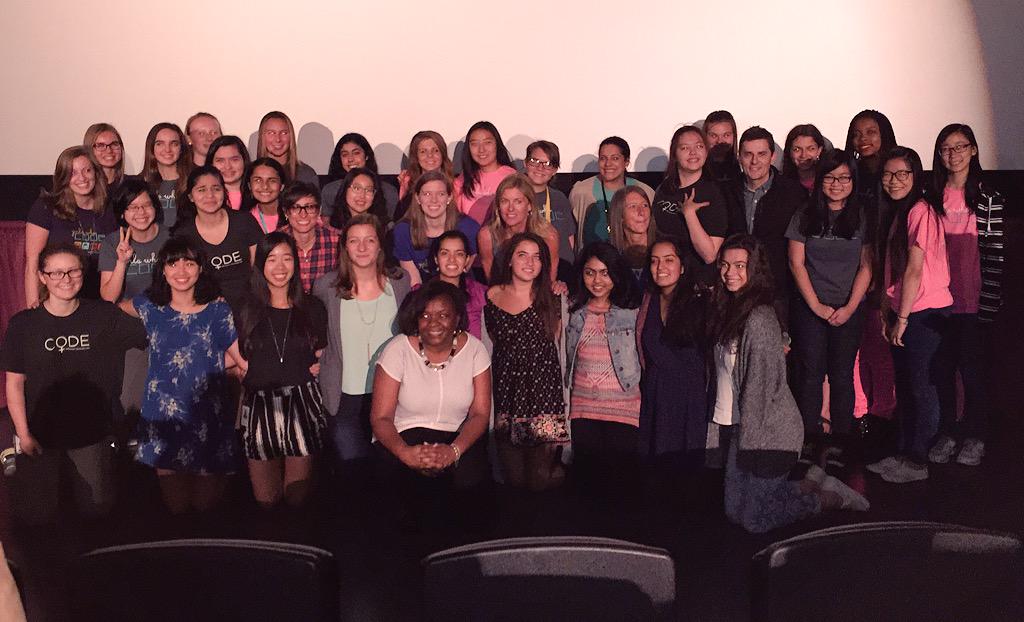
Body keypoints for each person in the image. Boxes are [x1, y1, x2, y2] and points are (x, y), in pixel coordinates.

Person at [706, 235, 868, 533]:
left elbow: (760, 390)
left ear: (755, 269)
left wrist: (749, 448)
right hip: (741, 427)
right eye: (725, 264)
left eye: (740, 265)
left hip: (768, 432)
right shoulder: (728, 309)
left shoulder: (759, 319)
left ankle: (828, 498)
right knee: (734, 512)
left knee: (754, 521)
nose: (731, 272)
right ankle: (811, 481)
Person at [1, 243, 146, 524]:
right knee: (38, 517)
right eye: (55, 273)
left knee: (97, 511)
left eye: (72, 271)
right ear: (42, 277)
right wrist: (24, 434)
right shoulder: (23, 325)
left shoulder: (103, 316)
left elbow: (157, 332)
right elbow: (15, 384)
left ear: (83, 273)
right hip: (40, 434)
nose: (65, 279)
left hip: (91, 433)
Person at [119, 237, 245, 513]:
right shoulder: (150, 306)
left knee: (205, 507)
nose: (181, 271)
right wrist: (120, 263)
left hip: (206, 414)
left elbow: (239, 357)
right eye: (173, 264)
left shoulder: (218, 309)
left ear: (201, 269)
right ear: (162, 270)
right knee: (176, 509)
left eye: (189, 263)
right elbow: (111, 308)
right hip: (162, 416)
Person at [371, 280, 491, 527]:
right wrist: (406, 453)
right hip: (404, 437)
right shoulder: (398, 350)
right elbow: (381, 418)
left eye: (443, 315)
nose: (434, 322)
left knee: (470, 484)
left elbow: (480, 414)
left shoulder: (476, 351)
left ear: (457, 319)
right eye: (425, 315)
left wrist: (453, 451)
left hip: (457, 437)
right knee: (395, 485)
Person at [868, 148, 952, 484]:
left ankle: (919, 459)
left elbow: (915, 270)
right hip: (904, 310)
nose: (894, 180)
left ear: (916, 176)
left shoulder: (920, 210)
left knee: (920, 386)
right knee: (903, 383)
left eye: (903, 173)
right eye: (888, 174)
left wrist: (901, 318)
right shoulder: (897, 213)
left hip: (923, 312)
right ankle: (903, 452)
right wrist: (888, 310)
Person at [926, 123, 1005, 467]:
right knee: (942, 369)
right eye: (946, 148)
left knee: (973, 371)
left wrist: (990, 301)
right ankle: (949, 431)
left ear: (974, 150)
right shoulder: (931, 197)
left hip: (973, 299)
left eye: (960, 147)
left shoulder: (988, 197)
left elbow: (995, 253)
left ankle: (976, 435)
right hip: (938, 300)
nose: (953, 155)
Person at [786, 150, 873, 460]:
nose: (836, 184)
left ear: (853, 181)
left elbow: (867, 267)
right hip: (811, 306)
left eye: (844, 178)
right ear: (820, 179)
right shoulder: (804, 214)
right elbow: (797, 263)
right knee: (810, 374)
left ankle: (841, 441)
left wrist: (849, 308)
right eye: (830, 177)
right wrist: (817, 307)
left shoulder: (862, 215)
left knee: (841, 374)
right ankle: (808, 440)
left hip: (849, 307)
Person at [313, 214, 412, 478]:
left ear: (380, 245)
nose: (362, 247)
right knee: (352, 472)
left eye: (370, 240)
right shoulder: (326, 288)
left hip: (392, 396)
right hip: (345, 396)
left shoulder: (400, 283)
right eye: (354, 241)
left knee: (389, 472)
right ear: (344, 246)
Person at [237, 233, 329, 508]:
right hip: (259, 404)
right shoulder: (245, 308)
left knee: (297, 498)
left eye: (286, 258)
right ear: (260, 264)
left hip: (302, 403)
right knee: (265, 500)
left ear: (296, 263)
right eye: (272, 259)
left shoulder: (312, 307)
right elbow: (234, 358)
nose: (280, 267)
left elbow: (323, 353)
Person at [485, 232, 568, 490]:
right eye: (522, 255)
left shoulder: (554, 298)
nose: (530, 262)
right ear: (509, 260)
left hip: (545, 397)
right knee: (514, 480)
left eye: (537, 257)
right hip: (506, 396)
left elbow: (562, 349)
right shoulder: (490, 298)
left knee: (538, 480)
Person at [565, 242, 642, 498]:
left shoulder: (633, 311)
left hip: (623, 407)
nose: (597, 280)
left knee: (620, 483)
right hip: (584, 407)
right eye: (590, 272)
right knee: (587, 482)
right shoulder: (572, 310)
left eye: (604, 272)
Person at [636, 238, 708, 480]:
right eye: (654, 261)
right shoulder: (647, 301)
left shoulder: (701, 301)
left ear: (683, 266)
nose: (661, 267)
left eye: (669, 260)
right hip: (656, 395)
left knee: (685, 472)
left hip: (689, 397)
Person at [99, 181, 171, 416]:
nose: (141, 213)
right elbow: (109, 297)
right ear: (122, 213)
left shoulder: (171, 238)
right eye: (133, 207)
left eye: (146, 205)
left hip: (168, 320)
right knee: (131, 399)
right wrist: (122, 261)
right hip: (131, 326)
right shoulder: (112, 242)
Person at [724, 126, 806, 326]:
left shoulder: (794, 194)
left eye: (761, 154)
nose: (754, 161)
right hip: (733, 290)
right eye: (748, 154)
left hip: (778, 292)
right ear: (739, 156)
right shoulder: (725, 191)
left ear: (772, 156)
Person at [24, 146, 116, 306]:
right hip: (57, 302)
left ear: (96, 172)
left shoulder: (109, 209)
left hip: (98, 303)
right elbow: (33, 263)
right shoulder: (46, 207)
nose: (82, 178)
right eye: (73, 173)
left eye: (87, 170)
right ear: (63, 177)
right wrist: (33, 309)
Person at [172, 166, 262, 316]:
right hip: (206, 310)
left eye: (216, 189)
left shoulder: (244, 221)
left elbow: (259, 268)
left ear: (224, 192)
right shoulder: (183, 234)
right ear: (191, 197)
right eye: (201, 190)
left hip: (249, 306)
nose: (210, 195)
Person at [652, 126, 728, 284]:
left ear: (706, 152)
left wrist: (689, 214)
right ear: (674, 154)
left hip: (698, 283)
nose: (693, 153)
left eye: (699, 146)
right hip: (664, 279)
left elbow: (709, 255)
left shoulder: (713, 193)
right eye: (685, 148)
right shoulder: (664, 189)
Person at [393, 170, 480, 287]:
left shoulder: (468, 227)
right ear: (418, 198)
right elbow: (415, 283)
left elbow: (462, 272)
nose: (434, 200)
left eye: (441, 194)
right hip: (424, 294)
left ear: (449, 197)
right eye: (427, 194)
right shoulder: (403, 231)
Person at [570, 136, 655, 248]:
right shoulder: (581, 192)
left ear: (626, 162)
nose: (608, 164)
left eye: (615, 158)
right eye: (603, 158)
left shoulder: (645, 192)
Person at [478, 173, 559, 283]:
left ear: (530, 205)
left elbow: (549, 281)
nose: (511, 208)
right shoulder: (487, 236)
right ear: (498, 206)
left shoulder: (548, 236)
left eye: (518, 201)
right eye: (504, 201)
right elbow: (492, 282)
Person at [523, 140, 577, 282]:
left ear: (554, 170)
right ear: (525, 163)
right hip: (530, 269)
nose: (540, 167)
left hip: (562, 269)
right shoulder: (517, 197)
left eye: (547, 164)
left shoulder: (559, 197)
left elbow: (569, 237)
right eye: (535, 161)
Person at [278, 182, 342, 293]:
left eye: (310, 207)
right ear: (286, 212)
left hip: (325, 306)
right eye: (295, 207)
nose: (303, 214)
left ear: (319, 211)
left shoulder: (336, 241)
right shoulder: (276, 242)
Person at [322, 133, 399, 220]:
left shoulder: (388, 191)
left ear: (366, 156)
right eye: (345, 154)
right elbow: (326, 226)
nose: (350, 159)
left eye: (356, 153)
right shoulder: (330, 190)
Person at [453, 121, 516, 225]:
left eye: (487, 143)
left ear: (497, 144)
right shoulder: (463, 178)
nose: (481, 149)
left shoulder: (511, 177)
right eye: (474, 144)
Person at [430, 230, 487, 340]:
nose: (452, 259)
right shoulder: (421, 294)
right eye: (445, 253)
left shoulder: (480, 293)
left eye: (459, 254)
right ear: (436, 259)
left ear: (467, 260)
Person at [141, 122, 191, 228]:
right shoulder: (140, 184)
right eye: (160, 144)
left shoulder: (194, 182)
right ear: (151, 148)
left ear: (181, 148)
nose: (167, 149)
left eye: (174, 144)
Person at [256, 111, 319, 188]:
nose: (278, 139)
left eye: (284, 133)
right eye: (271, 133)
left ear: (291, 137)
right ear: (262, 136)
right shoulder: (250, 172)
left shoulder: (306, 174)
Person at [607, 186, 657, 280]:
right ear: (620, 216)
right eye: (633, 206)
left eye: (645, 205)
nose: (641, 212)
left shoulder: (664, 247)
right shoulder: (610, 253)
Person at [205, 135, 251, 211]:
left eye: (234, 160)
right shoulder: (204, 197)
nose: (228, 167)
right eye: (220, 160)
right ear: (211, 164)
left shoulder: (258, 193)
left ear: (244, 161)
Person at [242, 157, 287, 233]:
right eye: (258, 180)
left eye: (272, 180)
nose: (265, 186)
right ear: (249, 185)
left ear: (282, 186)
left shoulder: (295, 216)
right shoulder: (244, 219)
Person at [782, 124, 827, 194]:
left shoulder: (830, 182)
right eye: (797, 149)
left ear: (819, 150)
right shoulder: (781, 184)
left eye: (811, 149)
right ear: (789, 151)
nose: (803, 155)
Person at [83, 123, 126, 194]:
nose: (109, 150)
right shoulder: (84, 188)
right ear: (89, 149)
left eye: (114, 144)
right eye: (100, 145)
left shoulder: (133, 185)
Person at [703, 110, 741, 185]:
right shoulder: (695, 170)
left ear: (734, 136)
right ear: (705, 137)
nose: (720, 141)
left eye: (726, 135)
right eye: (714, 136)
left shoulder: (746, 168)